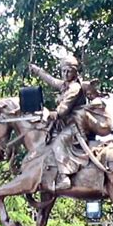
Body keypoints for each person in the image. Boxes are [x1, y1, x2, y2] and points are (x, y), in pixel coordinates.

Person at [29, 56, 89, 190]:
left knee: (57, 144)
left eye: (68, 71)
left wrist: (49, 114)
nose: (65, 74)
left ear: (75, 72)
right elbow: (51, 80)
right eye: (63, 71)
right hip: (64, 125)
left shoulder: (75, 88)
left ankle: (64, 177)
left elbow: (63, 110)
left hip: (75, 127)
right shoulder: (64, 85)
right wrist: (37, 70)